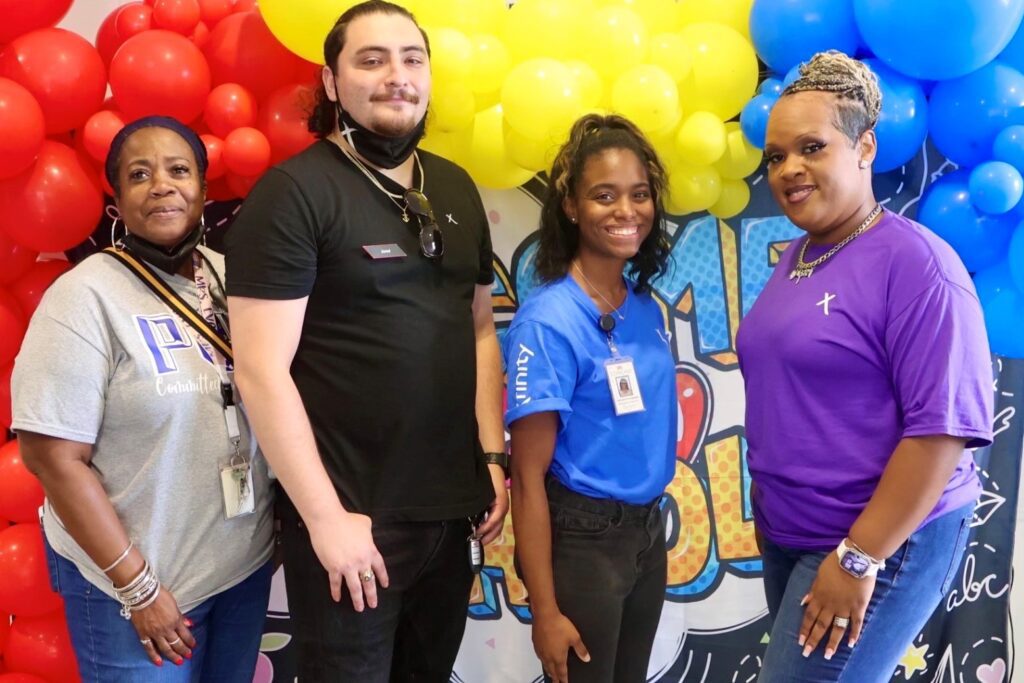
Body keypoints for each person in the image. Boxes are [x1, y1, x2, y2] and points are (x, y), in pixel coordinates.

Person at [223, 1, 509, 680]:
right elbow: (261, 370)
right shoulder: (293, 194)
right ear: (330, 81)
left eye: (411, 59)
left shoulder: (455, 187)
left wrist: (491, 454)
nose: (396, 76)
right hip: (352, 523)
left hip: (449, 515)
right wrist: (325, 519)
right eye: (371, 60)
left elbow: (477, 327)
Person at [737, 51, 993, 682]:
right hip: (791, 532)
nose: (789, 168)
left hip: (878, 543)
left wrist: (858, 557)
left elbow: (940, 431)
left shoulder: (917, 265)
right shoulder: (797, 254)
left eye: (811, 147)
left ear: (865, 147)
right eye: (775, 156)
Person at [12, 116, 274, 681]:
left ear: (204, 191)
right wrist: (138, 587)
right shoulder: (83, 297)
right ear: (118, 200)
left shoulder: (239, 283)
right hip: (133, 591)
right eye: (139, 174)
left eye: (179, 170)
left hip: (241, 572)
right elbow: (53, 459)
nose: (162, 185)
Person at [504, 114, 677, 683]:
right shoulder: (548, 322)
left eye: (639, 195)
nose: (627, 211)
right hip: (583, 543)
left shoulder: (643, 305)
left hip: (645, 536)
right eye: (604, 196)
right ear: (572, 207)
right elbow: (527, 479)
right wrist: (545, 611)